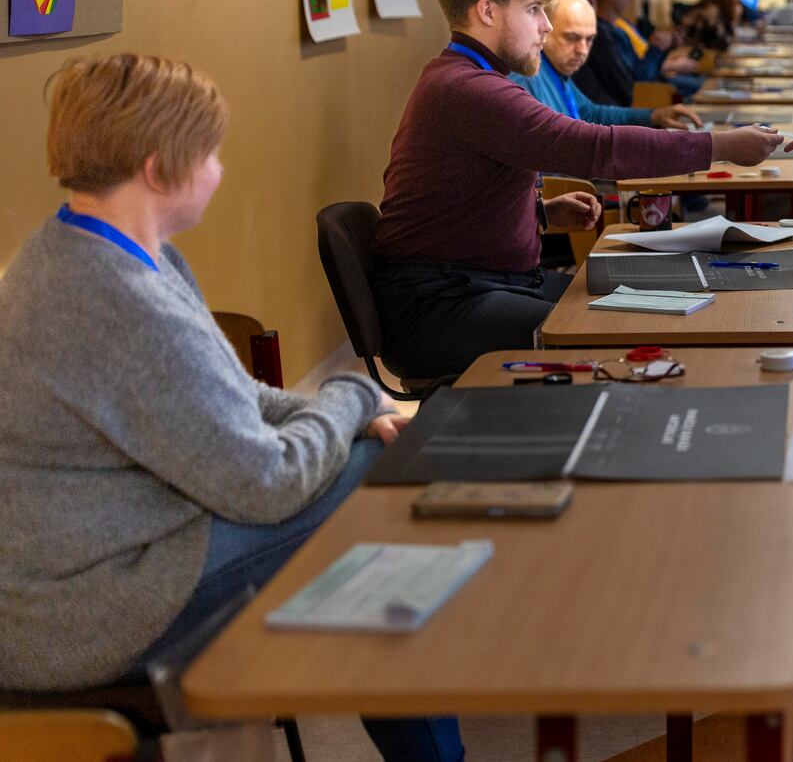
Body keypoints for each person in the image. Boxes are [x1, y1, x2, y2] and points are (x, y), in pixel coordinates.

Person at [0, 55, 462, 761]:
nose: (218, 169)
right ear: (159, 169)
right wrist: (351, 397)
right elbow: (266, 480)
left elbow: (237, 397)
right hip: (81, 612)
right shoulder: (114, 298)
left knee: (364, 486)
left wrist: (350, 406)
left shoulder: (92, 249)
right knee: (376, 475)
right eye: (209, 153)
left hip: (106, 556)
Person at [370, 0, 781, 379]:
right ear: (487, 12)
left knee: (637, 300)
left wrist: (540, 211)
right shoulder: (472, 90)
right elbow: (594, 147)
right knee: (622, 325)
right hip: (441, 306)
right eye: (533, 10)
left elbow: (450, 199)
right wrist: (718, 145)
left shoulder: (463, 78)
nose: (545, 26)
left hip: (480, 282)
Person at [512, 0, 702, 129]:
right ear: (544, 30)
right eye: (572, 38)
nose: (582, 50)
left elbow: (590, 113)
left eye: (589, 39)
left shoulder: (557, 70)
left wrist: (654, 116)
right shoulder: (525, 80)